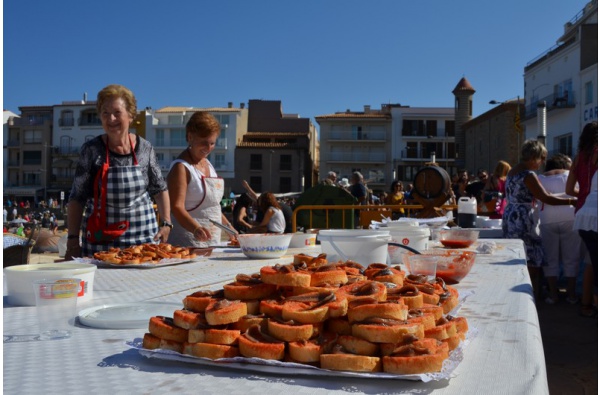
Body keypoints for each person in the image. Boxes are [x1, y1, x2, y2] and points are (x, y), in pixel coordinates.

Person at [65, 84, 172, 259]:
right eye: (105, 113)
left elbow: (159, 189)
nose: (111, 118)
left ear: (130, 115)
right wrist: (72, 240)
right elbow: (77, 198)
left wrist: (167, 223)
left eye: (117, 112)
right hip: (101, 244)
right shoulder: (91, 150)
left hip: (144, 240)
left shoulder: (145, 148)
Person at [502, 139, 576, 304]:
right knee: (531, 261)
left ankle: (519, 297)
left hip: (511, 216)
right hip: (523, 219)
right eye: (542, 158)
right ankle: (530, 299)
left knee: (515, 257)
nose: (543, 162)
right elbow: (546, 198)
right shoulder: (529, 175)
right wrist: (571, 201)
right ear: (534, 157)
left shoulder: (512, 171)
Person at [167, 111, 235, 247]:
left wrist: (229, 228)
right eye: (204, 143)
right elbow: (176, 207)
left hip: (212, 241)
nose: (208, 148)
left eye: (212, 143)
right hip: (187, 242)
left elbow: (212, 207)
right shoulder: (181, 167)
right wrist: (195, 228)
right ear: (190, 137)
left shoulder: (208, 164)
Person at [537, 154, 582, 305]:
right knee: (571, 257)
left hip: (547, 219)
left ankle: (554, 295)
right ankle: (571, 295)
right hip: (570, 216)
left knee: (550, 259)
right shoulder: (570, 175)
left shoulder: (540, 178)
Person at [566, 121, 598, 317]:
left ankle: (586, 304)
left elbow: (569, 190)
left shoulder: (577, 159)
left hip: (582, 213)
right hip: (596, 211)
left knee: (591, 261)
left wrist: (583, 195)